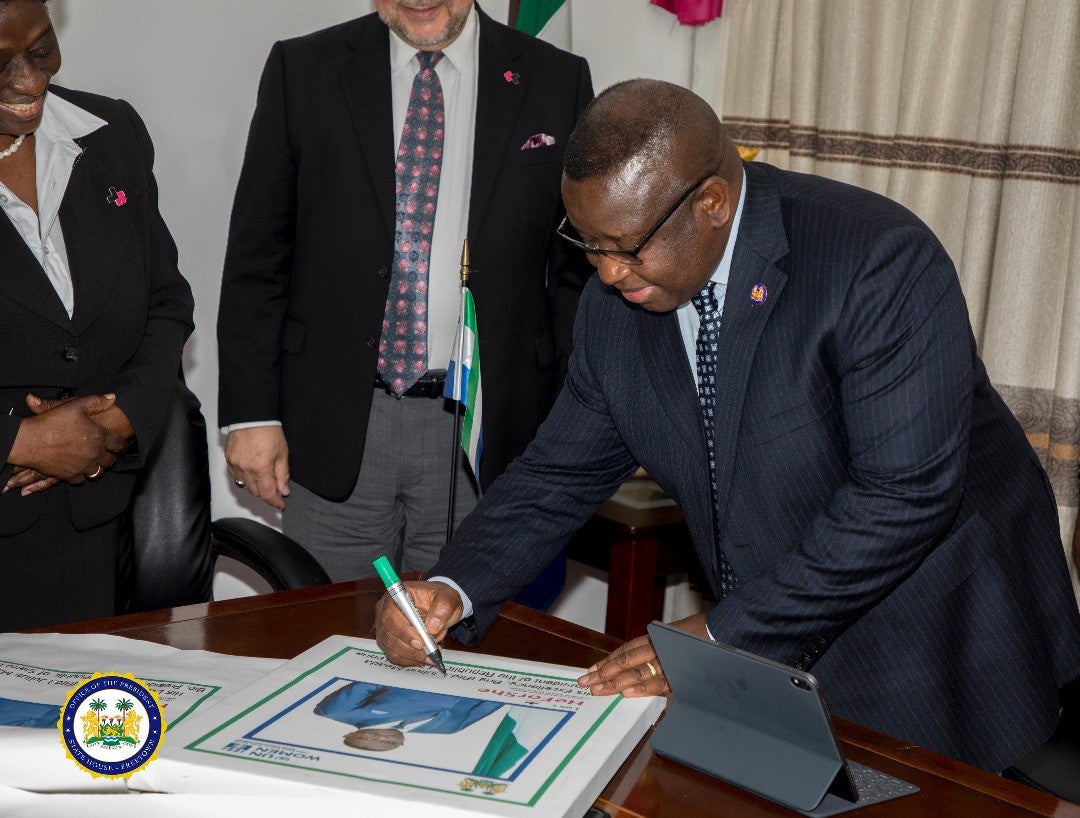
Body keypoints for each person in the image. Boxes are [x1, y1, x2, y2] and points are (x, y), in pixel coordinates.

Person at [374, 79, 1080, 773]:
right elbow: (556, 472)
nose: (609, 272)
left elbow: (902, 497)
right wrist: (453, 586)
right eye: (587, 243)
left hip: (942, 638)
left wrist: (718, 635)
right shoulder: (615, 308)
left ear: (711, 202)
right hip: (775, 640)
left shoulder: (875, 261)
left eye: (626, 245)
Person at [217, 0, 593, 584]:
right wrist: (249, 415)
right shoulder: (305, 69)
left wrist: (574, 427)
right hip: (335, 427)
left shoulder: (557, 80)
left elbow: (575, 276)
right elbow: (257, 255)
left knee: (467, 656)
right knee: (330, 642)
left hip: (485, 431)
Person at [0, 0, 194, 631]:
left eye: (41, 50)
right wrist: (19, 440)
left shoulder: (111, 133)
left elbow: (167, 300)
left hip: (93, 525)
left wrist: (118, 418)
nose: (30, 83)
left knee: (75, 723)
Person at [314, 680, 502, 750]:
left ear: (350, 734)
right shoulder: (447, 729)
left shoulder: (339, 712)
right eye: (387, 744)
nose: (380, 737)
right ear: (399, 745)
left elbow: (369, 680)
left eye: (365, 737)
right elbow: (492, 703)